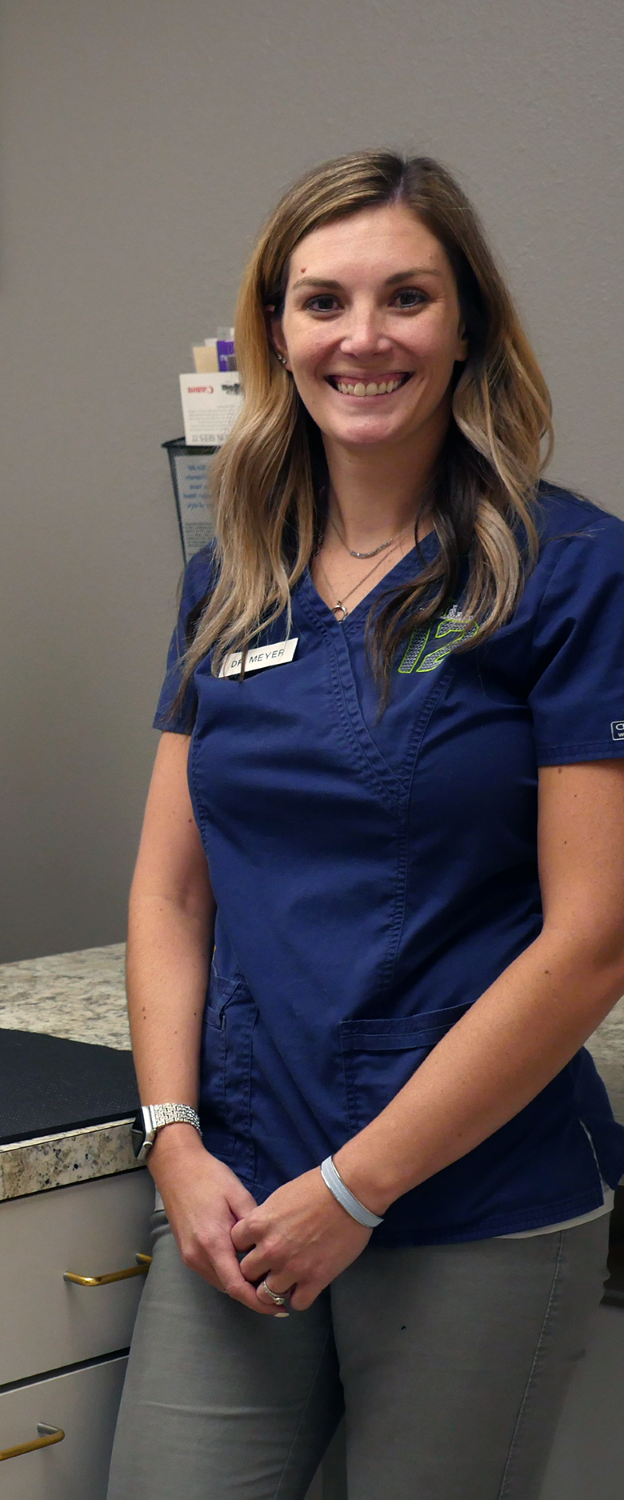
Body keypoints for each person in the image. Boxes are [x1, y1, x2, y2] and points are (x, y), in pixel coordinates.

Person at [108, 150, 624, 1500]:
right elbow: (170, 893)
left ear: (468, 332)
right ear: (276, 333)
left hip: (473, 1202)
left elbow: (593, 941)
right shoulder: (230, 582)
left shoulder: (568, 573)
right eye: (322, 301)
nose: (364, 337)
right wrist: (171, 1136)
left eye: (408, 297)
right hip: (238, 1191)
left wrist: (356, 1189)